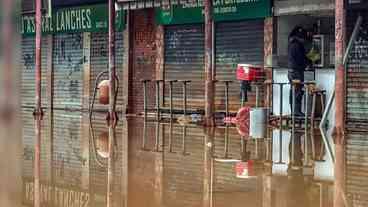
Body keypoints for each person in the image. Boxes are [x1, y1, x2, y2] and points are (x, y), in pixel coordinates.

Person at [288, 26, 312, 117]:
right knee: (298, 92)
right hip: (296, 72)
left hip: (291, 71)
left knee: (293, 91)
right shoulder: (297, 45)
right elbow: (301, 58)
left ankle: (293, 111)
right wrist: (309, 61)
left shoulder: (291, 43)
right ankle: (296, 112)